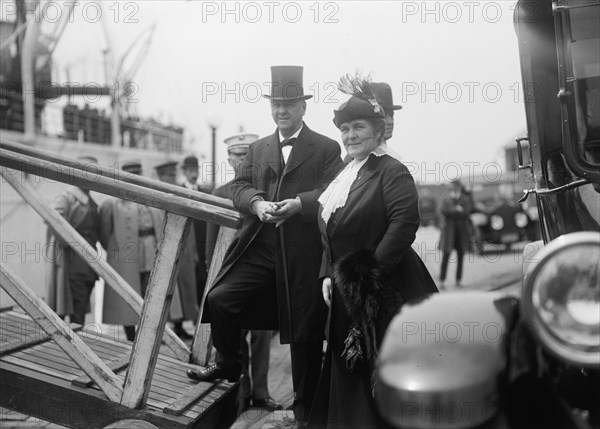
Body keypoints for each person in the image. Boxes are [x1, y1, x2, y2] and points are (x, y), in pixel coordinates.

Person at [187, 65, 343, 424]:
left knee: (304, 333)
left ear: (303, 107)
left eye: (289, 104)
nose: (281, 111)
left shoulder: (325, 147)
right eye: (276, 104)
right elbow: (237, 188)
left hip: (304, 253)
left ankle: (305, 413)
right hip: (262, 248)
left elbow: (336, 192)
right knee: (220, 298)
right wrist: (257, 203)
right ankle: (228, 364)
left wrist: (300, 205)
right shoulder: (257, 150)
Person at [307, 77, 438, 429]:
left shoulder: (391, 170)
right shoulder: (345, 175)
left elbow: (404, 224)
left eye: (358, 127)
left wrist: (369, 275)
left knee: (383, 368)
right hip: (347, 290)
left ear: (378, 130)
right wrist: (326, 272)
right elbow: (329, 232)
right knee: (353, 366)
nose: (350, 135)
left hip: (386, 290)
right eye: (345, 129)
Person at [205, 133, 282, 412]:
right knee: (232, 337)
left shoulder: (266, 193)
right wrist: (210, 273)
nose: (240, 160)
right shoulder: (220, 193)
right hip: (232, 275)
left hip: (257, 274)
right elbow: (211, 242)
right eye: (235, 156)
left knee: (261, 336)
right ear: (228, 159)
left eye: (244, 155)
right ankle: (238, 393)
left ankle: (260, 393)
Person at [99, 160, 163, 341]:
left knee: (150, 291)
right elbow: (104, 233)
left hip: (150, 246)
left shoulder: (150, 196)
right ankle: (130, 334)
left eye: (137, 174)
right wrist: (115, 250)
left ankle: (149, 333)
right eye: (130, 175)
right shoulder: (112, 202)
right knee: (128, 292)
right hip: (127, 251)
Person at [46, 156, 100, 325]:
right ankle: (72, 347)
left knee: (81, 304)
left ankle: (76, 344)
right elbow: (53, 219)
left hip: (87, 262)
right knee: (75, 306)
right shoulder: (66, 198)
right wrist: (73, 242)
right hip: (72, 262)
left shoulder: (90, 201)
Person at [154, 160, 199, 340]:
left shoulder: (181, 193)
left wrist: (193, 250)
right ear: (160, 177)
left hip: (184, 245)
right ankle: (167, 327)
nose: (171, 178)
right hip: (166, 246)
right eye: (167, 175)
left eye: (173, 174)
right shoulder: (158, 193)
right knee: (166, 287)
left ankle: (178, 325)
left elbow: (190, 223)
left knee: (183, 288)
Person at [180, 155, 210, 307]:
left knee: (202, 279)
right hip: (185, 243)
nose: (194, 173)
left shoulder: (205, 192)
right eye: (191, 170)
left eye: (196, 169)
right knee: (185, 279)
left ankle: (201, 318)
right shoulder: (179, 191)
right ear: (185, 171)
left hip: (202, 241)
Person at [438, 178, 473, 288]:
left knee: (461, 256)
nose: (453, 188)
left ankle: (458, 280)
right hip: (449, 232)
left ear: (459, 187)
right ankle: (442, 280)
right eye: (452, 187)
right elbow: (444, 211)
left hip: (461, 233)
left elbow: (466, 212)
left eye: (455, 186)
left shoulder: (465, 199)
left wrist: (453, 212)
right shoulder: (446, 199)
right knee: (446, 256)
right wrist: (457, 210)